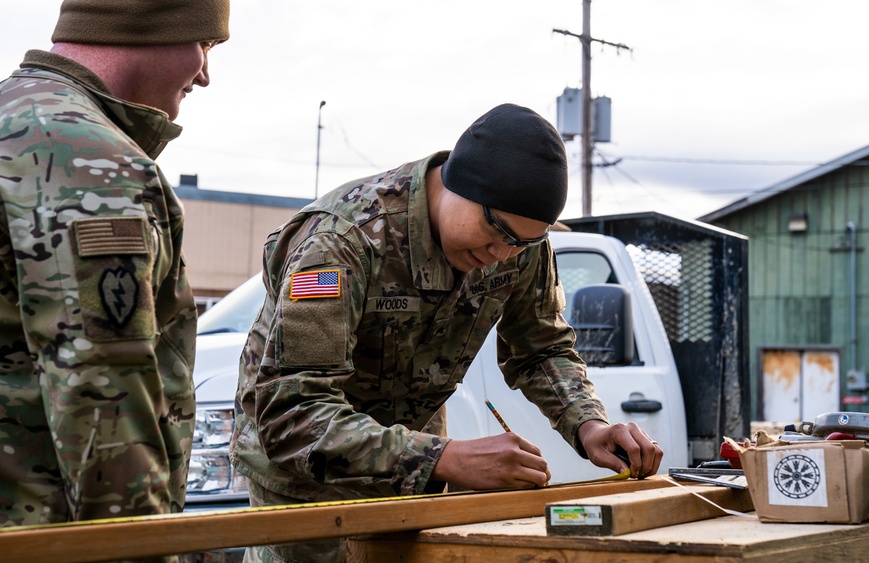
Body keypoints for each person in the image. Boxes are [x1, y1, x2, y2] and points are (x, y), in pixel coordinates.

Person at [230, 103, 664, 562]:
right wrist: (445, 458)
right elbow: (293, 413)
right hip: (310, 484)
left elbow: (540, 348)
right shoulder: (342, 243)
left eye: (522, 243)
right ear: (461, 183)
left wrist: (589, 423)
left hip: (411, 475)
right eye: (495, 233)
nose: (502, 254)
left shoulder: (518, 240)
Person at [0, 0, 230, 534]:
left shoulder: (5, 113)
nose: (205, 75)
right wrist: (138, 549)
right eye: (205, 44)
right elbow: (103, 405)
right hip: (38, 539)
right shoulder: (79, 153)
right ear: (153, 22)